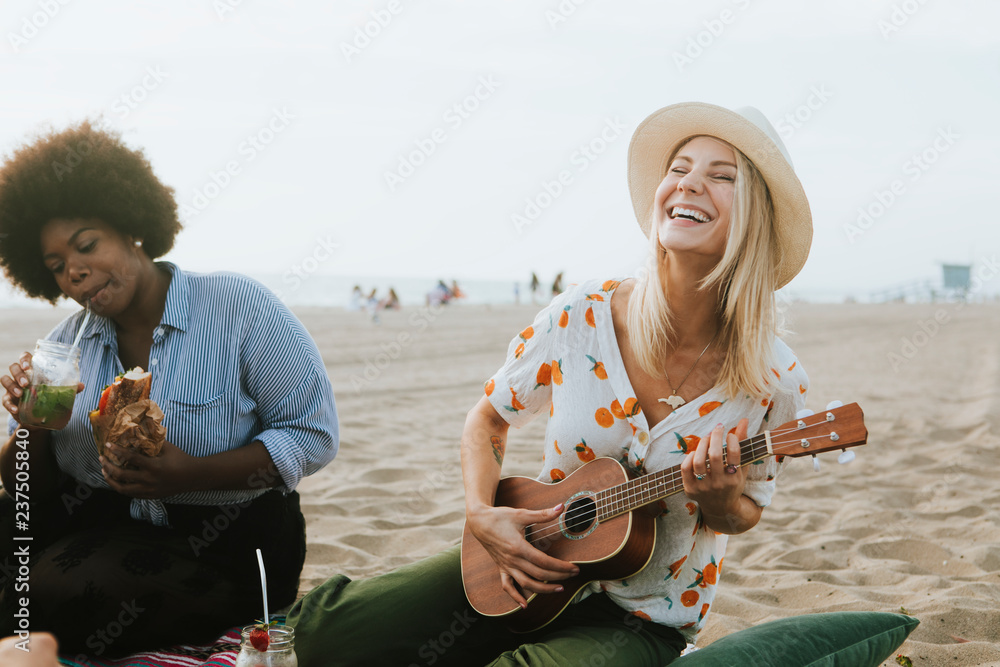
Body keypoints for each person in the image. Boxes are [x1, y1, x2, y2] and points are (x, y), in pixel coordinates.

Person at [286, 102, 812, 666]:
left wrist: (721, 500)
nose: (689, 185)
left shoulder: (773, 378)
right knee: (330, 636)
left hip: (638, 617)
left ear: (754, 217)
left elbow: (745, 512)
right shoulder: (582, 314)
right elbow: (488, 420)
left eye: (722, 176)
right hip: (529, 560)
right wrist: (481, 516)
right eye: (679, 168)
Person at [0, 121, 339, 654]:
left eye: (87, 245)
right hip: (101, 528)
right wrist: (33, 427)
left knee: (52, 594)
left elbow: (312, 436)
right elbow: (30, 492)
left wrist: (189, 475)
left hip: (224, 542)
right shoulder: (64, 346)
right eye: (58, 266)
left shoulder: (238, 308)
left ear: (131, 226)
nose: (76, 273)